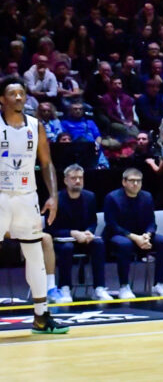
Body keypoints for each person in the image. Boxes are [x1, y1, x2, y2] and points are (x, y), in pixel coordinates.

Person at [0, 76, 68, 333]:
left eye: (22, 93)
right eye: (12, 93)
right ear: (2, 99)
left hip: (28, 196)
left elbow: (47, 163)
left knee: (35, 254)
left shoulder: (35, 125)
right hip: (1, 196)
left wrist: (53, 195)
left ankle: (41, 316)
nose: (19, 97)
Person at [102, 167, 163, 298]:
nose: (135, 184)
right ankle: (124, 286)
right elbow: (112, 224)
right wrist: (135, 238)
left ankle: (159, 284)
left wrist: (147, 235)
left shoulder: (147, 197)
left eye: (138, 181)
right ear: (124, 182)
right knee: (125, 245)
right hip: (117, 235)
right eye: (132, 181)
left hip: (141, 235)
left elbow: (152, 222)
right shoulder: (112, 198)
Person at [48, 164, 112, 301]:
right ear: (66, 180)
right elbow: (51, 229)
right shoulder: (56, 199)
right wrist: (72, 233)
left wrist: (89, 232)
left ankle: (99, 288)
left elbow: (93, 221)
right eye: (73, 178)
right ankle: (64, 288)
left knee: (99, 243)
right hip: (62, 240)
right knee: (67, 247)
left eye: (80, 178)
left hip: (84, 239)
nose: (77, 181)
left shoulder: (90, 197)